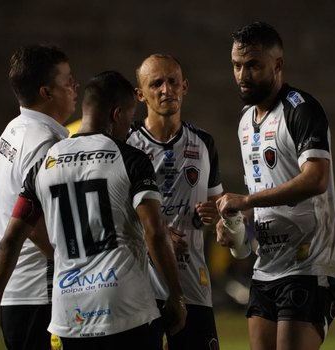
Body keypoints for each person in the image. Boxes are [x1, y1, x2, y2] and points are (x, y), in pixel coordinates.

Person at [0, 71, 187, 348]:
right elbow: (155, 232)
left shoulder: (42, 166)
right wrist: (176, 295)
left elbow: (10, 240)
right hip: (127, 309)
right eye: (130, 117)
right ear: (117, 114)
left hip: (70, 316)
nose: (130, 127)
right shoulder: (131, 159)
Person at [215, 22, 335, 350]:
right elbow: (259, 197)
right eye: (237, 65)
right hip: (267, 266)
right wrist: (236, 226)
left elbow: (316, 178)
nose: (243, 74)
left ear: (278, 65)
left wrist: (246, 200)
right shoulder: (246, 121)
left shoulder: (301, 110)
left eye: (253, 65)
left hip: (310, 262)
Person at [0, 44, 78, 349]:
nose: (75, 87)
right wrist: (80, 267)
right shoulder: (46, 143)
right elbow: (36, 227)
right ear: (46, 93)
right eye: (68, 81)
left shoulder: (12, 132)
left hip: (17, 291)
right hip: (41, 292)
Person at [128, 54, 223, 349]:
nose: (166, 89)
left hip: (193, 284)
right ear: (140, 94)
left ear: (185, 87)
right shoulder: (126, 144)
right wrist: (155, 236)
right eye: (156, 83)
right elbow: (109, 213)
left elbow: (219, 207)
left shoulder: (204, 143)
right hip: (139, 289)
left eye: (172, 81)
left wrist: (219, 219)